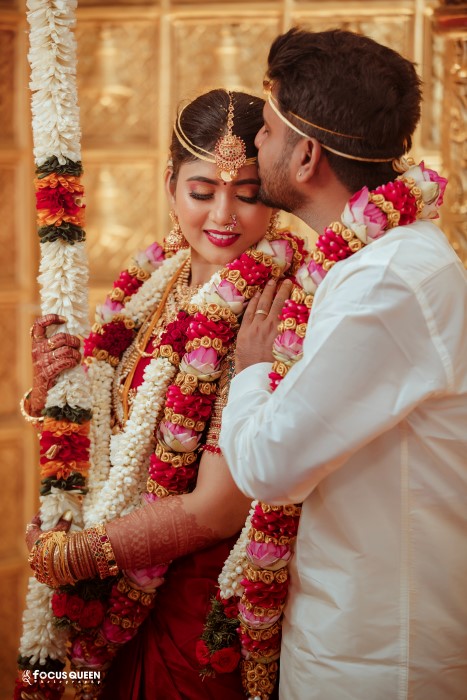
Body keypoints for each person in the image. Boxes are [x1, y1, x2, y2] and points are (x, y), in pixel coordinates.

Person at [21, 88, 303, 700]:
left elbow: (219, 508)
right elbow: (118, 425)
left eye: (249, 195)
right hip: (106, 564)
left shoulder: (270, 309)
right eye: (203, 192)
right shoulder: (155, 281)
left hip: (190, 603)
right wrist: (52, 396)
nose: (224, 215)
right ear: (171, 184)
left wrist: (77, 556)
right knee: (58, 682)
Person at [219, 28, 467, 700]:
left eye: (265, 131)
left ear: (306, 155)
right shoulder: (364, 265)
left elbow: (268, 465)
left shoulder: (388, 282)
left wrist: (250, 368)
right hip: (346, 635)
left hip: (379, 657)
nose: (253, 148)